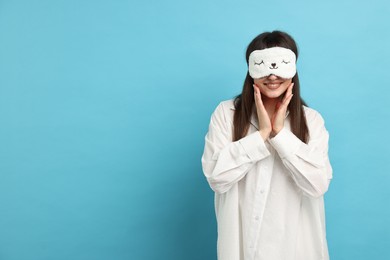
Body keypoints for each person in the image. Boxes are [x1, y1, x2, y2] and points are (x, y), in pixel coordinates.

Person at [201, 30, 333, 260]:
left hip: (297, 249)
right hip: (241, 250)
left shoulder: (311, 121)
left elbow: (317, 184)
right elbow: (216, 177)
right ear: (251, 70)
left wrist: (280, 134)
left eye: (280, 66)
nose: (272, 75)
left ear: (293, 69)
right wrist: (261, 134)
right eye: (263, 65)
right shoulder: (226, 114)